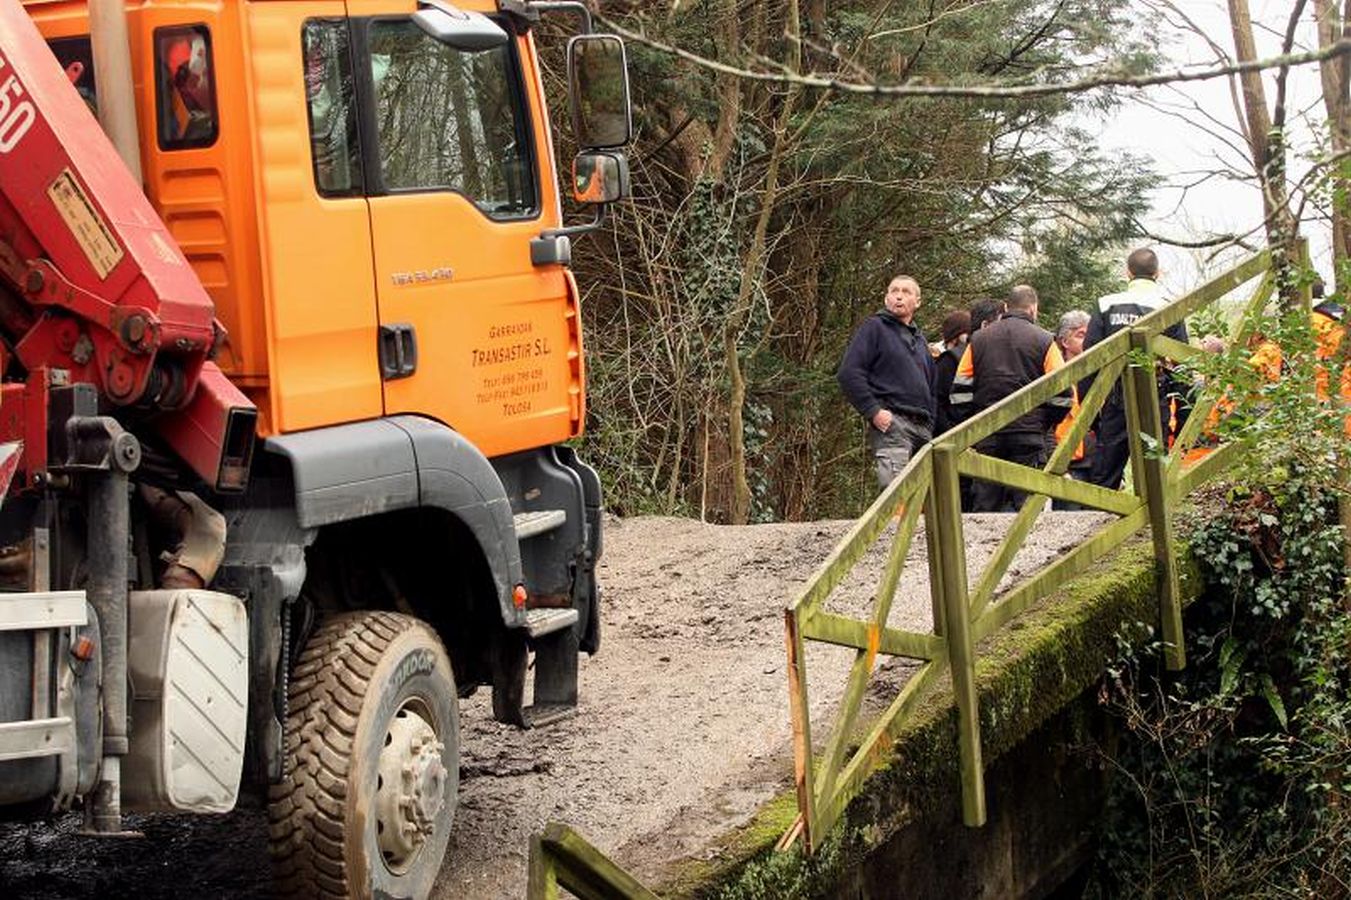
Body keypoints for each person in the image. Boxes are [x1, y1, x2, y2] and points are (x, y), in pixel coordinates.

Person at [951, 285, 1072, 512]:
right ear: (1034, 309)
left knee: (986, 506)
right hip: (1028, 436)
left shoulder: (978, 340)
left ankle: (984, 549)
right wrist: (1042, 422)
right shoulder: (1045, 341)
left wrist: (974, 424)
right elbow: (1063, 394)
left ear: (1006, 307)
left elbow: (959, 392)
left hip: (987, 435)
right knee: (1028, 508)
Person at [1084, 248, 1188, 490]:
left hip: (1114, 399)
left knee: (1104, 478)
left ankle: (1102, 523)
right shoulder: (1169, 307)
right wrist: (1183, 417)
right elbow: (1181, 364)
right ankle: (1154, 527)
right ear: (1158, 273)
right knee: (1156, 479)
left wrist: (1090, 413)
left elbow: (1089, 361)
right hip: (1154, 398)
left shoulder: (1105, 305)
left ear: (1127, 272)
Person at [838, 275, 937, 491]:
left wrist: (931, 423)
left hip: (923, 429)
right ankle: (893, 526)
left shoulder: (920, 341)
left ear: (917, 302)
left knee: (923, 498)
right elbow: (849, 373)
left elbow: (933, 388)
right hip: (894, 424)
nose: (899, 296)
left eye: (906, 292)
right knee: (895, 495)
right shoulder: (874, 328)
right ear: (886, 299)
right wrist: (873, 411)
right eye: (894, 291)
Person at [1050, 310, 1093, 509]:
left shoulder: (1100, 373)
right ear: (1064, 341)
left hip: (1096, 464)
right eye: (1080, 335)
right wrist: (1059, 467)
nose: (1087, 340)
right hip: (1067, 463)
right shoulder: (1055, 376)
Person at [933, 310, 972, 435]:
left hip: (957, 429)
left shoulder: (949, 359)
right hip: (953, 431)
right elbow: (939, 401)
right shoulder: (949, 360)